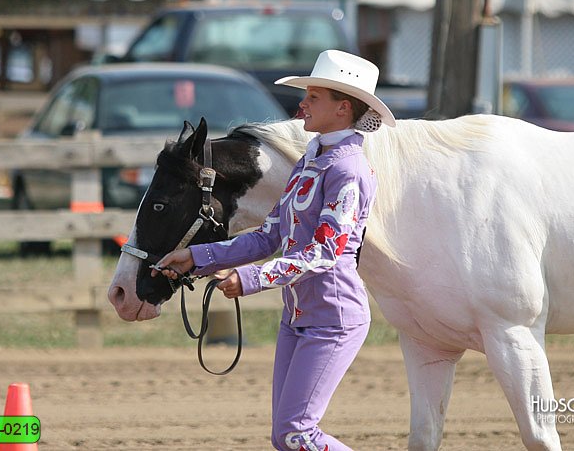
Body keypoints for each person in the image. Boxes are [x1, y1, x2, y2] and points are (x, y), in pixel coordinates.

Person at [154, 49, 396, 451]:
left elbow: (324, 253)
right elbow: (269, 235)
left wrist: (248, 278)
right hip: (299, 316)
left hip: (333, 320)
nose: (302, 104)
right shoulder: (311, 161)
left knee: (297, 434)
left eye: (314, 97)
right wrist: (197, 257)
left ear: (343, 108)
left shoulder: (347, 170)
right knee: (285, 438)